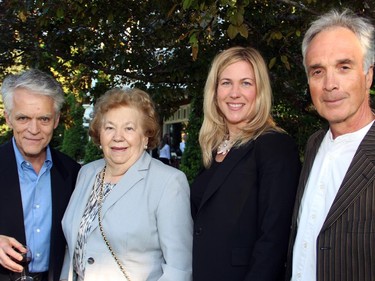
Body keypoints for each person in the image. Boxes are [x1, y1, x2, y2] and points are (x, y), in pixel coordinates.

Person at [190, 46, 301, 281]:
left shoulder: (274, 145)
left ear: (260, 90)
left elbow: (274, 238)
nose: (234, 93)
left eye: (246, 83)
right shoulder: (215, 148)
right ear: (215, 90)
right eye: (226, 83)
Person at [60, 88, 192, 281]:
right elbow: (72, 247)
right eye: (109, 127)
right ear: (99, 135)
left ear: (145, 136)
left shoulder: (169, 182)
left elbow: (178, 269)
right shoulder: (87, 173)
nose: (118, 136)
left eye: (129, 128)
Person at [286, 9, 375, 281]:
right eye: (317, 71)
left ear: (368, 76)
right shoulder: (313, 145)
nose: (330, 84)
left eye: (344, 67)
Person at [0, 69, 81, 281]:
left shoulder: (73, 173)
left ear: (56, 120)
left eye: (44, 119)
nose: (34, 129)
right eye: (23, 118)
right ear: (8, 118)